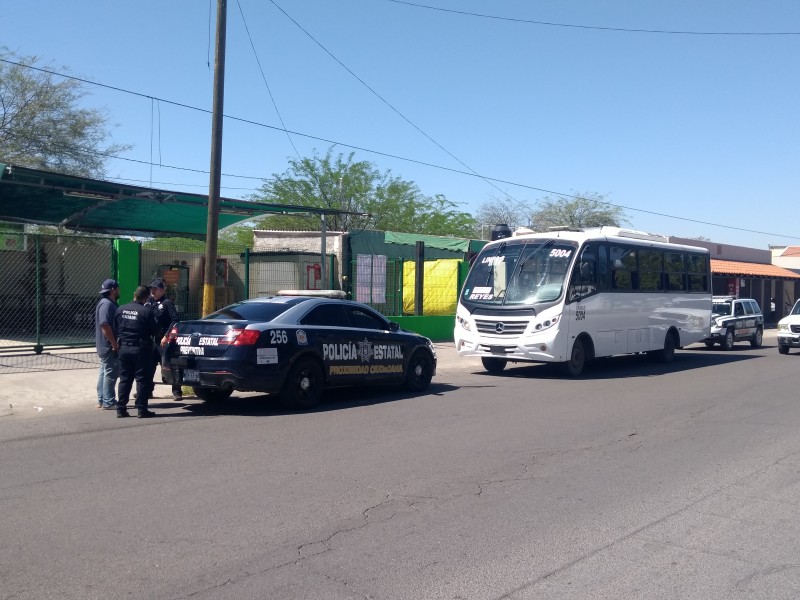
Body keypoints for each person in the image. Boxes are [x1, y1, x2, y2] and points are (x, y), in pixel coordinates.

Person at [115, 285, 159, 418]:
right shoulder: (146, 311)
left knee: (125, 379)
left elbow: (115, 327)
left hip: (123, 348)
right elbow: (156, 331)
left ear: (134, 294)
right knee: (142, 380)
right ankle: (142, 409)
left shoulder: (121, 309)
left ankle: (121, 409)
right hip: (140, 350)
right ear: (147, 297)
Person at [145, 277, 182, 400]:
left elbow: (175, 320)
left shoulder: (167, 303)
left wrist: (166, 336)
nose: (153, 291)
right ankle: (148, 390)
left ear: (162, 290)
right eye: (151, 289)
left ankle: (176, 391)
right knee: (149, 366)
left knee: (168, 365)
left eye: (155, 289)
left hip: (163, 340)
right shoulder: (149, 302)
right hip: (151, 340)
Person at [95, 279, 120, 409]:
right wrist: (114, 343)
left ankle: (102, 399)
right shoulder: (107, 305)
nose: (119, 290)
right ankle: (109, 401)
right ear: (112, 290)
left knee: (104, 372)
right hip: (108, 345)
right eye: (117, 288)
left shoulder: (106, 303)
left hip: (104, 345)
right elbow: (105, 325)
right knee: (111, 372)